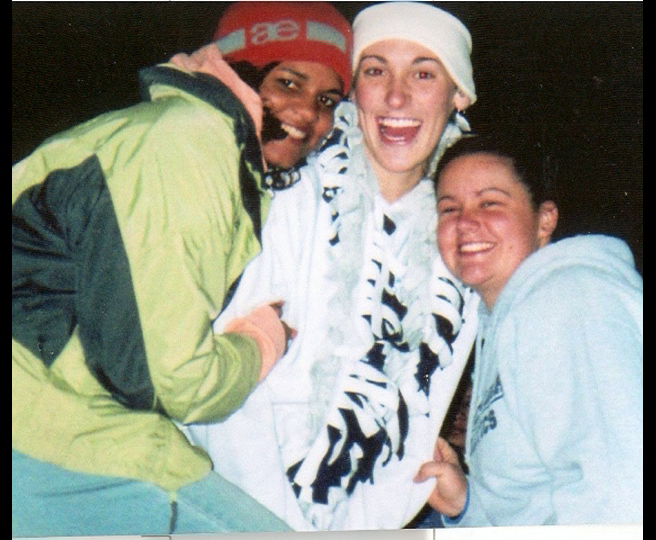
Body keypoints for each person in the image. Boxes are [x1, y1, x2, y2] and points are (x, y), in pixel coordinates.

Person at [12, 2, 352, 536]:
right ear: (239, 68)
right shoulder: (186, 146)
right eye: (288, 82)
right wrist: (262, 343)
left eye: (327, 100)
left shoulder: (191, 139)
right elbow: (171, 382)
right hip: (50, 430)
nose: (308, 113)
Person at [185, 2, 480, 531]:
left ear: (458, 95)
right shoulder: (290, 190)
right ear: (353, 91)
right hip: (228, 508)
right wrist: (277, 528)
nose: (396, 97)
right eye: (375, 71)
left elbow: (419, 423)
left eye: (423, 74)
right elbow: (229, 391)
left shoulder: (461, 234)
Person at [414, 132, 643, 525]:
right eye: (449, 209)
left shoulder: (571, 299)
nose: (465, 223)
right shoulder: (501, 321)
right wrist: (466, 504)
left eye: (490, 203)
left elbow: (625, 492)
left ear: (545, 219)